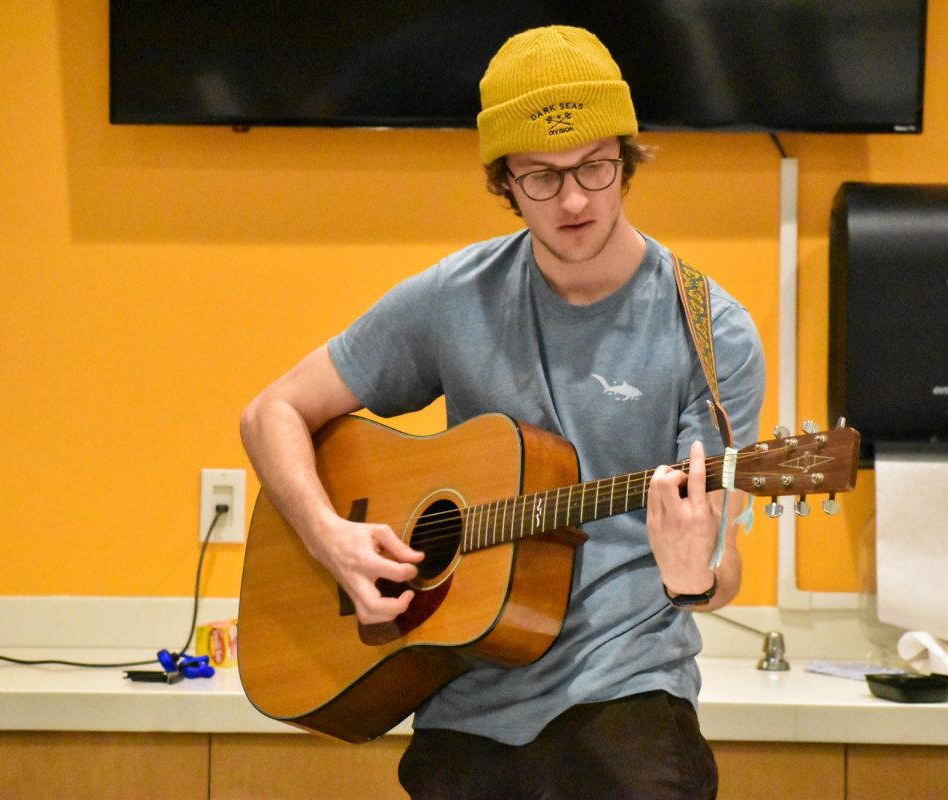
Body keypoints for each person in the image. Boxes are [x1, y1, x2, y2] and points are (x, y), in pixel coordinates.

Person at [240, 25, 765, 800]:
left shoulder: (711, 332)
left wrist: (695, 581)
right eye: (543, 178)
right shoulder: (454, 299)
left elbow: (720, 567)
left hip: (626, 699)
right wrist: (332, 542)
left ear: (628, 159)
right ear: (504, 183)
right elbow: (272, 411)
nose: (577, 199)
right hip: (462, 701)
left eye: (596, 166)